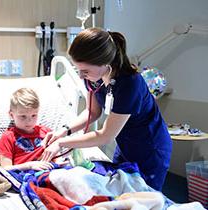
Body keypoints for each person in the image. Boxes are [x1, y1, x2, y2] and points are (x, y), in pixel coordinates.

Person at [41, 28, 172, 191]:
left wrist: (61, 143)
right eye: (78, 70)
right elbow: (92, 112)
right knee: (120, 192)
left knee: (144, 197)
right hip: (125, 144)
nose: (81, 76)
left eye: (85, 71)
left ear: (105, 63)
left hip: (150, 149)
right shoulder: (93, 78)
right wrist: (63, 131)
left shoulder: (130, 83)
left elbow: (105, 136)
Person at [0, 88, 54, 171]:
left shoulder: (47, 132)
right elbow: (6, 169)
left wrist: (60, 162)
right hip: (26, 175)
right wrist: (29, 166)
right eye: (23, 116)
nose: (29, 121)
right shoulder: (8, 137)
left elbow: (56, 157)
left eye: (34, 115)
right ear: (11, 115)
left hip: (51, 170)